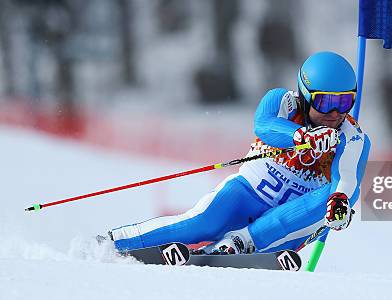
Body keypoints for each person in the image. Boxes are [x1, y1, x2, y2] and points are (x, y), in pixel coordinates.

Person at [109, 51, 371, 254]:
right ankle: (116, 242)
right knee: (201, 224)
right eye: (326, 102)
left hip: (288, 219)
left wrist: (339, 202)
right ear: (306, 95)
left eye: (345, 101)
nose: (335, 113)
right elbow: (265, 125)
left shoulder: (353, 137)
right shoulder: (282, 102)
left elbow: (346, 177)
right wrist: (301, 136)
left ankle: (241, 242)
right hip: (248, 192)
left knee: (348, 194)